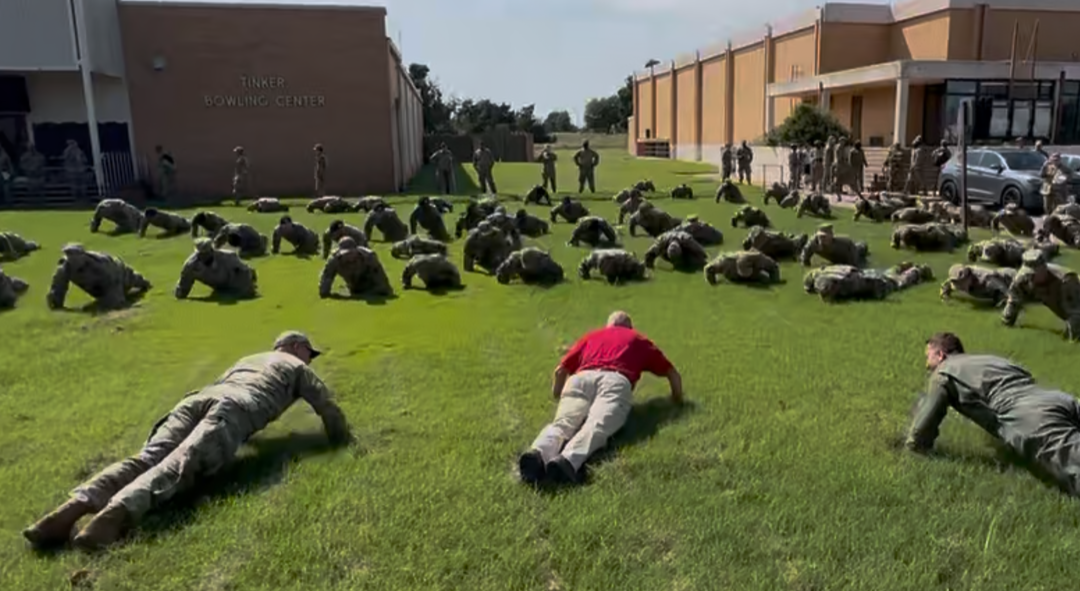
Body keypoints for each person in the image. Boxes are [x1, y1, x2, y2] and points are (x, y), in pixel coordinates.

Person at [22, 331, 350, 551]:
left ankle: (65, 514)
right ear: (296, 347)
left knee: (146, 458)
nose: (310, 359)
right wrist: (342, 439)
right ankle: (111, 520)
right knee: (175, 466)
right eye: (310, 352)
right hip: (233, 408)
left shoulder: (249, 358)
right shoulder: (295, 365)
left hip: (198, 399)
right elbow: (327, 406)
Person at [905, 332, 1080, 496]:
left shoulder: (944, 371)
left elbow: (925, 422)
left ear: (941, 355)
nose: (927, 365)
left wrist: (913, 447)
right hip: (1057, 398)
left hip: (1030, 415)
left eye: (928, 357)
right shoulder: (990, 360)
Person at [517, 311, 683, 485]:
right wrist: (677, 400)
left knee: (563, 423)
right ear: (629, 327)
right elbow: (673, 374)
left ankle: (537, 453)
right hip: (615, 380)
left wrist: (559, 395)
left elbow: (560, 371)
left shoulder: (592, 336)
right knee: (596, 425)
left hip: (581, 379)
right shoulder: (638, 339)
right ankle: (567, 461)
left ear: (608, 326)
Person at [1001, 250, 1080, 340]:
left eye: (1033, 274)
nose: (1029, 278)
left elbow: (1076, 312)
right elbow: (1013, 299)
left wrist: (1073, 339)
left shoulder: (1066, 280)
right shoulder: (1023, 278)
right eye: (1027, 273)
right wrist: (1007, 321)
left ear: (1043, 269)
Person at [46, 244, 152, 311]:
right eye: (68, 255)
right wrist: (56, 303)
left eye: (75, 255)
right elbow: (58, 286)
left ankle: (146, 284)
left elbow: (115, 280)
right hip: (96, 285)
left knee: (132, 279)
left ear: (83, 255)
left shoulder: (100, 264)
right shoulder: (65, 267)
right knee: (104, 299)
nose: (72, 259)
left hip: (118, 270)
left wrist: (118, 301)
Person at [175, 238, 258, 300]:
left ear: (211, 250)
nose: (204, 256)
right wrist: (181, 294)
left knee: (243, 291)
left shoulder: (228, 256)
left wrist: (248, 288)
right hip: (218, 285)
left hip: (233, 280)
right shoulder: (191, 265)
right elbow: (184, 283)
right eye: (201, 254)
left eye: (206, 253)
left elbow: (244, 270)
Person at [319, 236, 393, 299]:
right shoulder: (334, 260)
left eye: (351, 253)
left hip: (369, 282)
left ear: (356, 250)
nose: (349, 257)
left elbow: (381, 278)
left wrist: (381, 290)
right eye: (346, 254)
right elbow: (327, 276)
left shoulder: (369, 256)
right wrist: (324, 291)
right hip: (352, 282)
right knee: (355, 289)